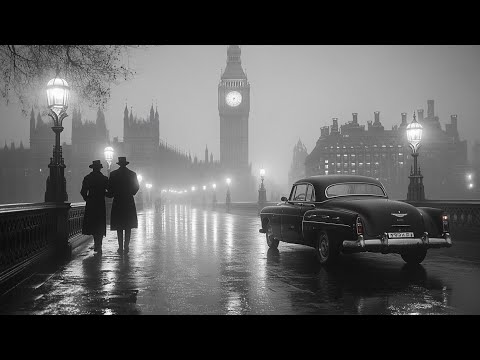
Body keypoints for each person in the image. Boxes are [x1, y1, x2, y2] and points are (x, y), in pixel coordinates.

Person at [107, 156, 139, 254]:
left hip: (118, 201)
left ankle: (120, 247)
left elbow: (110, 190)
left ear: (118, 164)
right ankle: (126, 246)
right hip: (128, 201)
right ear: (126, 164)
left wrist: (112, 194)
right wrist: (131, 193)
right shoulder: (132, 174)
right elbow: (136, 187)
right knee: (128, 225)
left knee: (119, 226)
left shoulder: (113, 174)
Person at [80, 160, 109, 253]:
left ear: (92, 168)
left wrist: (87, 199)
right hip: (100, 203)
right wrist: (103, 193)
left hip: (91, 203)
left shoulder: (88, 178)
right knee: (100, 223)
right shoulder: (104, 178)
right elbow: (109, 192)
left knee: (93, 223)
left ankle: (96, 243)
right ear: (100, 168)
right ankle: (99, 243)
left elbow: (83, 191)